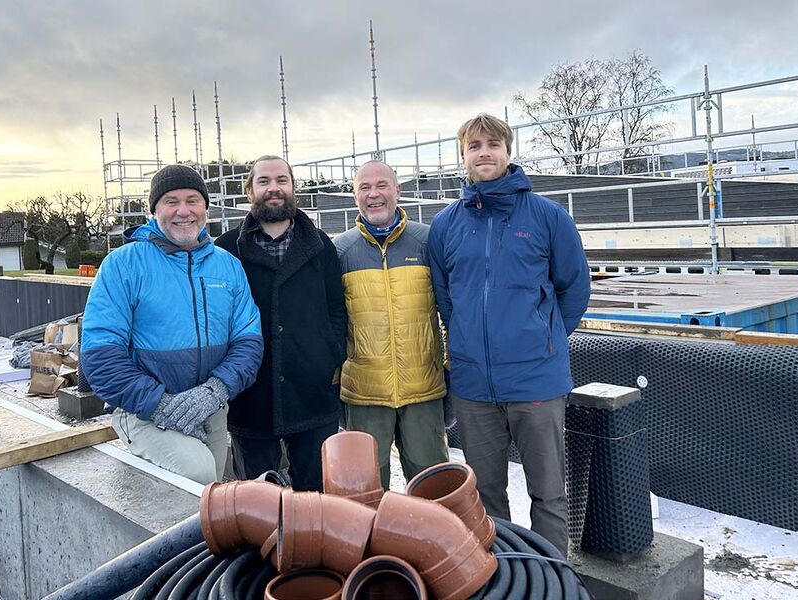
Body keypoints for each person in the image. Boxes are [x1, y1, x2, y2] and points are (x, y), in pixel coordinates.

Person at [428, 114, 590, 557]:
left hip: (536, 381)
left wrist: (543, 340)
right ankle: (505, 573)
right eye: (474, 146)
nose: (484, 153)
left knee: (549, 494)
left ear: (508, 151)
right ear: (462, 156)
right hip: (474, 386)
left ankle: (553, 576)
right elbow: (447, 297)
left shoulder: (547, 216)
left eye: (493, 144)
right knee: (485, 497)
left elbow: (574, 288)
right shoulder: (446, 225)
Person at [82, 164, 264, 485]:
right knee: (198, 473)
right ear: (155, 210)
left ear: (205, 207)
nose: (184, 211)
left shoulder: (227, 265)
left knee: (216, 501)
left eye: (193, 200)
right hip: (144, 412)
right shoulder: (123, 265)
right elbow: (100, 356)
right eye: (171, 201)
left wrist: (213, 391)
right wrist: (161, 406)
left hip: (211, 408)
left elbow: (248, 342)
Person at [215, 155, 347, 492]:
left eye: (281, 180)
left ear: (292, 188)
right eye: (264, 181)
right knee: (258, 502)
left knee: (316, 499)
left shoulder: (319, 245)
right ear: (249, 191)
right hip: (250, 397)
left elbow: (336, 308)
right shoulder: (227, 249)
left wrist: (328, 357)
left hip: (312, 395)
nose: (274, 188)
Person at [334, 160, 448, 489]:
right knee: (366, 492)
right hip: (364, 395)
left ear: (398, 191)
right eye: (364, 188)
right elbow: (332, 323)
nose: (374, 195)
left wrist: (449, 367)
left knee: (434, 490)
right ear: (354, 196)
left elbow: (451, 309)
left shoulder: (427, 242)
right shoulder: (341, 250)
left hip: (422, 389)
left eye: (382, 185)